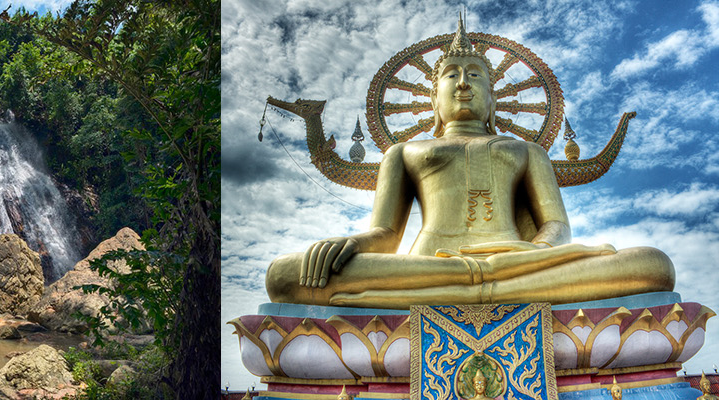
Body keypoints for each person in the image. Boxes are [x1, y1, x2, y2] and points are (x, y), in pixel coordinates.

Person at [265, 18, 673, 309]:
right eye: (452, 75)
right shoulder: (404, 152)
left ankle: (457, 291)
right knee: (284, 275)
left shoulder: (527, 151)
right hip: (428, 268)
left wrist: (538, 253)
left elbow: (557, 227)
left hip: (519, 264)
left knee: (653, 265)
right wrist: (351, 245)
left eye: (475, 75)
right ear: (433, 101)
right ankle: (476, 288)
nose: (463, 82)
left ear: (494, 100)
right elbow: (386, 234)